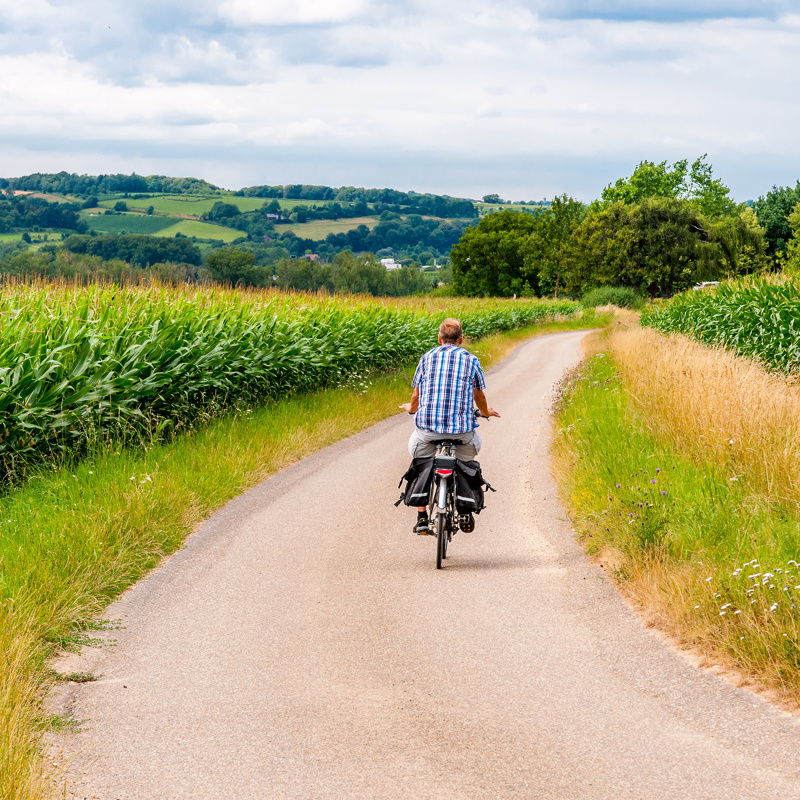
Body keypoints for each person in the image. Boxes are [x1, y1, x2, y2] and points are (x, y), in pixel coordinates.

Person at [399, 317, 500, 533]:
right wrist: (484, 412)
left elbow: (416, 393)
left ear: (439, 338)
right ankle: (464, 510)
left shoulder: (426, 358)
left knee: (420, 461)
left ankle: (422, 516)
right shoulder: (471, 360)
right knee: (467, 456)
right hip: (461, 431)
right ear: (461, 339)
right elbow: (479, 395)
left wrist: (412, 409)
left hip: (428, 430)